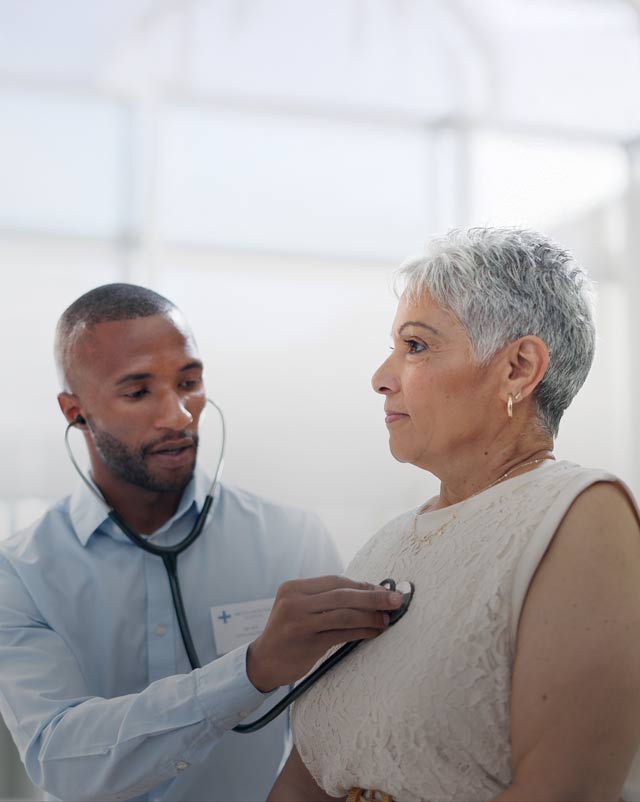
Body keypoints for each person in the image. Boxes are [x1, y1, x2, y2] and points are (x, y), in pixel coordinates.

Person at [269, 227, 640, 802]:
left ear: (518, 368)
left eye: (415, 346)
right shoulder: (386, 546)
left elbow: (563, 790)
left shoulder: (583, 515)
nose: (380, 377)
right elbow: (307, 775)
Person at [0, 284, 404, 802]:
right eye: (138, 391)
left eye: (189, 382)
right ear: (74, 411)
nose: (179, 415)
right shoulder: (19, 573)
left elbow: (338, 726)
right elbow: (59, 756)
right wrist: (252, 669)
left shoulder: (290, 538)